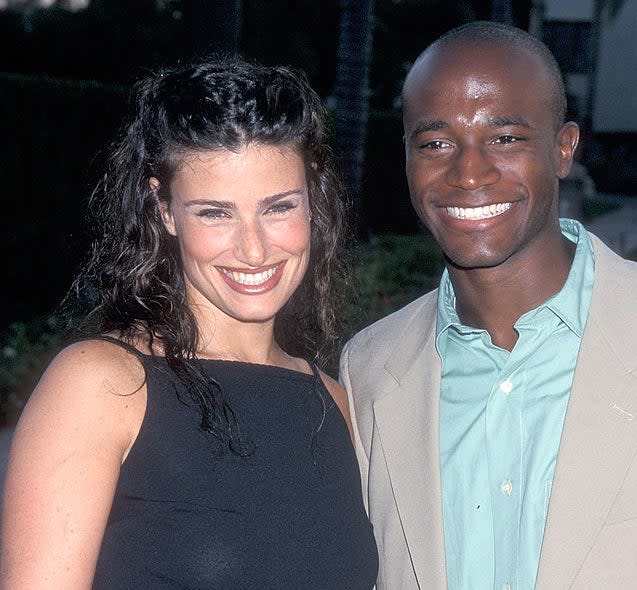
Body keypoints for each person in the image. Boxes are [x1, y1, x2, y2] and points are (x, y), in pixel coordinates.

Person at [339, 20, 637, 590]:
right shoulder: (370, 368)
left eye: (505, 138)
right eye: (435, 143)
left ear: (563, 148)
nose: (468, 171)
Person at [0, 55, 378, 589]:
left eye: (277, 208)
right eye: (214, 212)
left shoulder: (335, 404)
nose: (254, 248)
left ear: (313, 198)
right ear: (164, 210)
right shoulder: (102, 385)